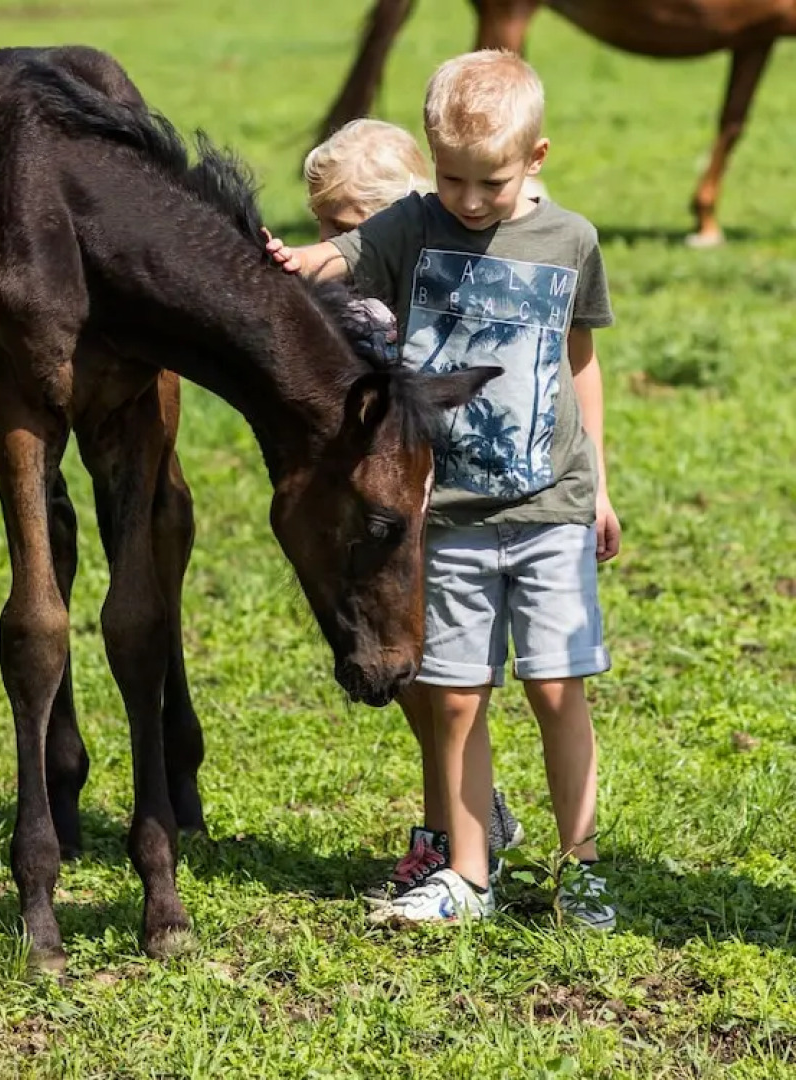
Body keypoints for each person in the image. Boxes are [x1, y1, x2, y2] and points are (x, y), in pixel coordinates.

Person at [268, 50, 620, 927]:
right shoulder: (415, 226)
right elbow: (342, 253)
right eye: (452, 178)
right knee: (457, 695)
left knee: (555, 689)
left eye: (488, 181)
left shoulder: (570, 239)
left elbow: (581, 360)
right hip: (452, 517)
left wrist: (601, 485)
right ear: (431, 160)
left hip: (550, 511)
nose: (467, 199)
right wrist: (289, 259)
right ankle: (468, 873)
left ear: (536, 158)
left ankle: (580, 870)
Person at [300, 116, 528, 913]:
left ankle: (452, 832)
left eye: (348, 228)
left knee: (439, 675)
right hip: (397, 517)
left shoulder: (417, 295)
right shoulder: (350, 306)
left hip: (445, 514)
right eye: (322, 226)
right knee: (413, 678)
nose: (332, 247)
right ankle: (477, 813)